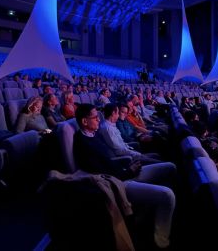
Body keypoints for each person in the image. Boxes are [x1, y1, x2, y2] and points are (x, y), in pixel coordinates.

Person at [73, 104, 176, 249]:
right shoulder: (82, 143)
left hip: (125, 170)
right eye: (95, 117)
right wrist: (129, 171)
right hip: (120, 181)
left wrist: (129, 168)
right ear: (84, 121)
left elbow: (109, 160)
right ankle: (160, 241)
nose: (99, 120)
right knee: (167, 195)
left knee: (170, 167)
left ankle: (148, 212)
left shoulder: (94, 134)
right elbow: (102, 173)